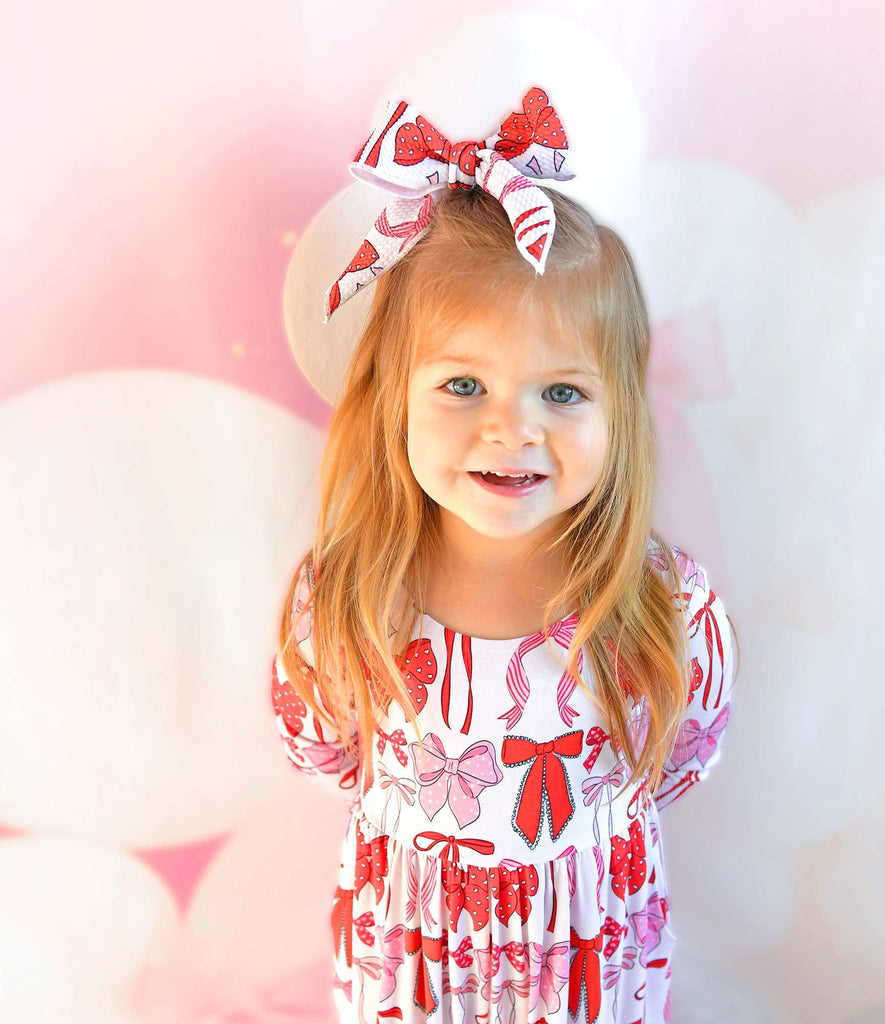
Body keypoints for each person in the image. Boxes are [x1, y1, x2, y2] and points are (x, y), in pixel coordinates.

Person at [271, 87, 739, 1024]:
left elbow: (683, 753)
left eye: (561, 393)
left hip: (587, 970)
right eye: (463, 384)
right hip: (414, 969)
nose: (512, 429)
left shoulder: (665, 605)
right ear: (394, 396)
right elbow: (319, 746)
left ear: (619, 412)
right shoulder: (349, 594)